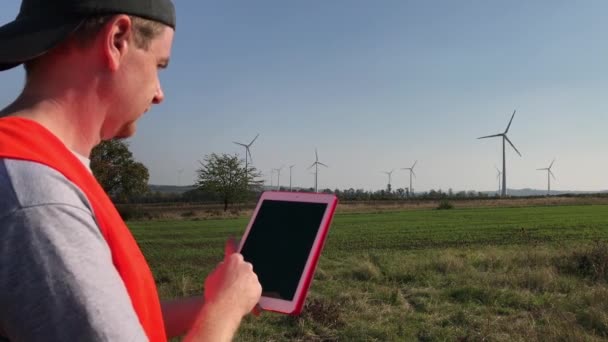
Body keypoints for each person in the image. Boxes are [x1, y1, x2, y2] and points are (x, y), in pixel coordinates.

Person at [0, 1, 262, 341]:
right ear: (118, 39)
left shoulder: (41, 167)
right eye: (159, 65)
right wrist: (224, 309)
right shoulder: (36, 194)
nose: (159, 94)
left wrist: (220, 300)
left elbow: (123, 323)